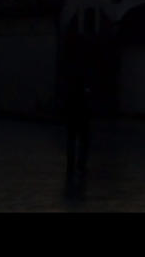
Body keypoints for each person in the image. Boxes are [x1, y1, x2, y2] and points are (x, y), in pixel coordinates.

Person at [65, 63, 91, 192]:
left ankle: (72, 164)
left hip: (74, 116)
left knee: (72, 140)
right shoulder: (84, 90)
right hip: (82, 117)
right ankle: (80, 164)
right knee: (82, 141)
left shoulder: (71, 88)